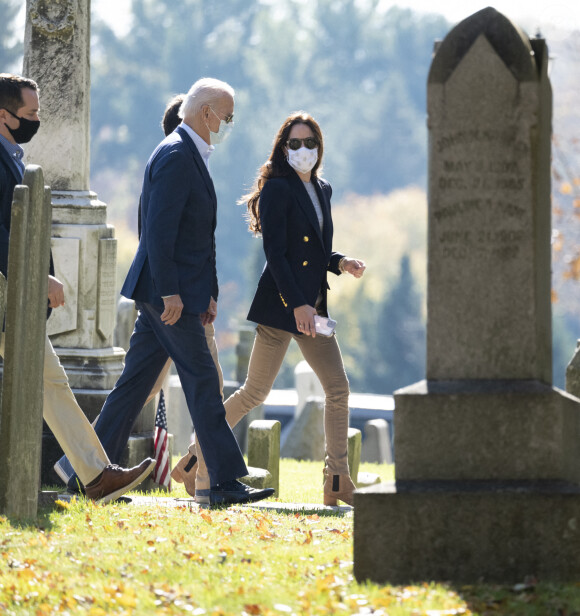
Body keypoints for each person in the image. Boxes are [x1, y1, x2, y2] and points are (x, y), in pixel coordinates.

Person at [62, 77, 273, 506]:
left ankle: (79, 472)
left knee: (135, 384)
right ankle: (227, 481)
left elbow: (197, 235)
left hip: (174, 292)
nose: (228, 124)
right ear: (206, 113)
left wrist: (208, 293)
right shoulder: (177, 155)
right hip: (166, 295)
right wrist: (171, 293)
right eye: (226, 116)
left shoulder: (188, 153)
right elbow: (158, 234)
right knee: (202, 381)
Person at [173, 111, 366, 506]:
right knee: (253, 393)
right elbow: (276, 254)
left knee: (338, 390)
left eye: (309, 143)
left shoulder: (323, 189)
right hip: (283, 309)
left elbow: (312, 251)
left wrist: (341, 262)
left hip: (313, 314)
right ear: (283, 147)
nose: (302, 150)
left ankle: (337, 481)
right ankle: (193, 460)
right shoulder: (278, 189)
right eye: (294, 143)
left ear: (319, 147)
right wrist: (296, 304)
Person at [0, 73, 155, 503]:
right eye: (30, 114)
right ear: (3, 115)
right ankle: (96, 474)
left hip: (12, 296)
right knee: (51, 381)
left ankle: (96, 475)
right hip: (8, 290)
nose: (37, 121)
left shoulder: (11, 154)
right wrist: (34, 274)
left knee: (51, 381)